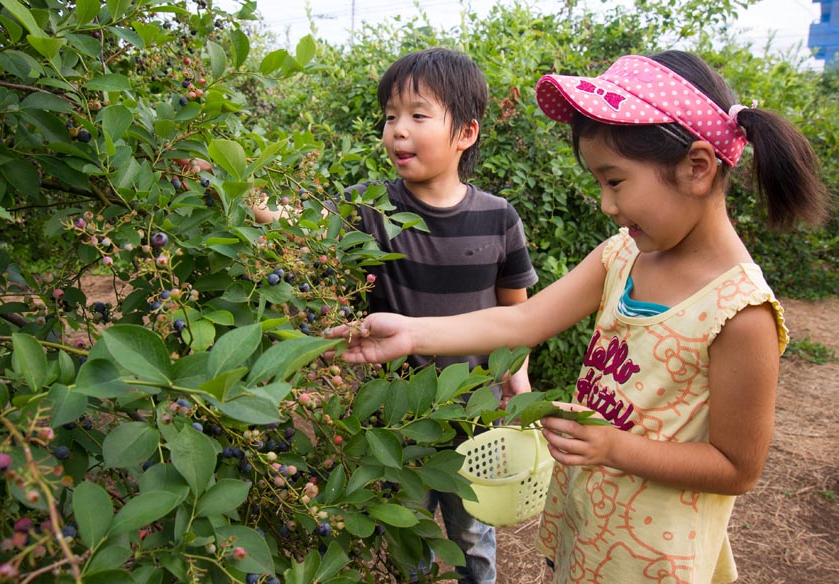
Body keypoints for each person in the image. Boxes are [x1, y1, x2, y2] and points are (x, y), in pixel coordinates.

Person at [326, 50, 832, 583]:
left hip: (655, 560)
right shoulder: (622, 256)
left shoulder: (740, 311)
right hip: (587, 528)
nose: (605, 204)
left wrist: (615, 446)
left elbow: (738, 468)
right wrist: (408, 332)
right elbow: (520, 322)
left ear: (697, 168)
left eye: (614, 181)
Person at [255, 48, 539, 583]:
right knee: (409, 535)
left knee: (473, 533)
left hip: (472, 413)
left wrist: (517, 381)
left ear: (466, 133)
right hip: (396, 414)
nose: (397, 131)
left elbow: (514, 315)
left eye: (417, 115)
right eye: (389, 117)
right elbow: (299, 222)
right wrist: (241, 191)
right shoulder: (369, 207)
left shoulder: (498, 217)